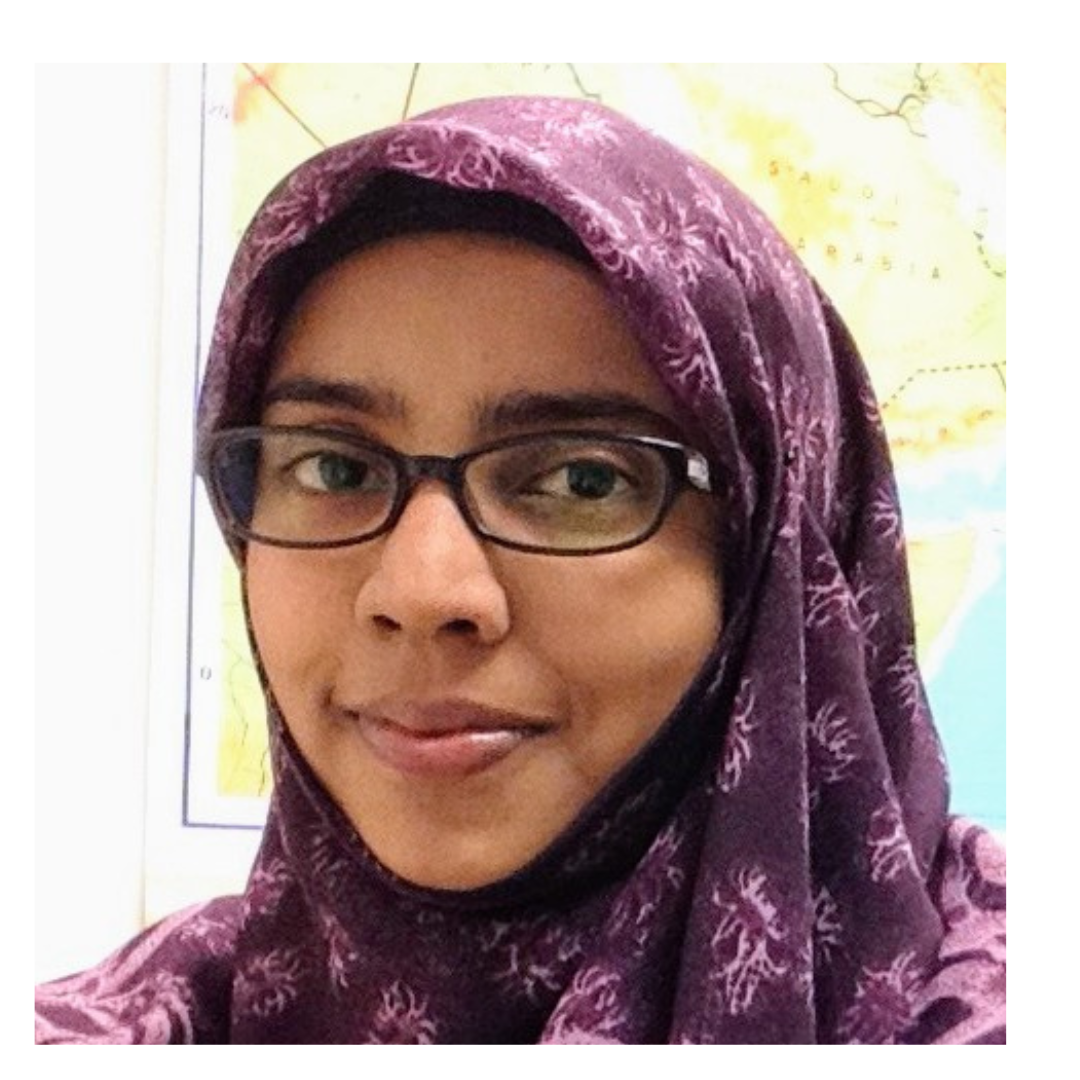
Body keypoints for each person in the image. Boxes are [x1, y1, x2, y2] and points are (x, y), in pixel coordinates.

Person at [35, 96, 1005, 1044]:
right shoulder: (149, 1023)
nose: (421, 594)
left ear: (776, 551)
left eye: (583, 479)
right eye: (333, 468)